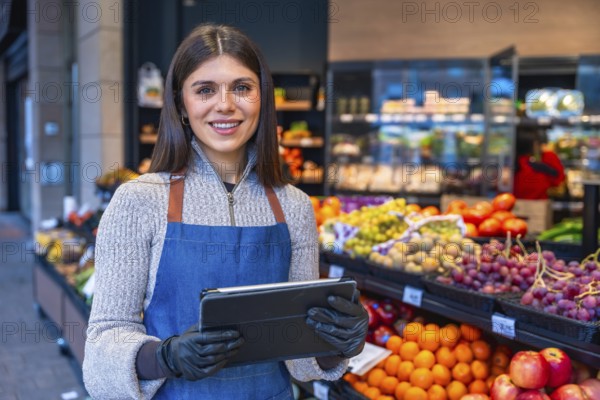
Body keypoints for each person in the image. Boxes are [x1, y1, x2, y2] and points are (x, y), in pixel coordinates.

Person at [82, 23, 368, 399]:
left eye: (242, 88)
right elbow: (102, 347)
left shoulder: (294, 206)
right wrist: (164, 357)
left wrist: (339, 341)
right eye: (205, 90)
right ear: (181, 104)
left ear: (262, 98)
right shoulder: (139, 201)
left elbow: (302, 362)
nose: (225, 105)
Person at [513, 126, 565, 199]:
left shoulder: (511, 164)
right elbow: (558, 180)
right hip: (539, 206)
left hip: (512, 205)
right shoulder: (543, 162)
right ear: (533, 144)